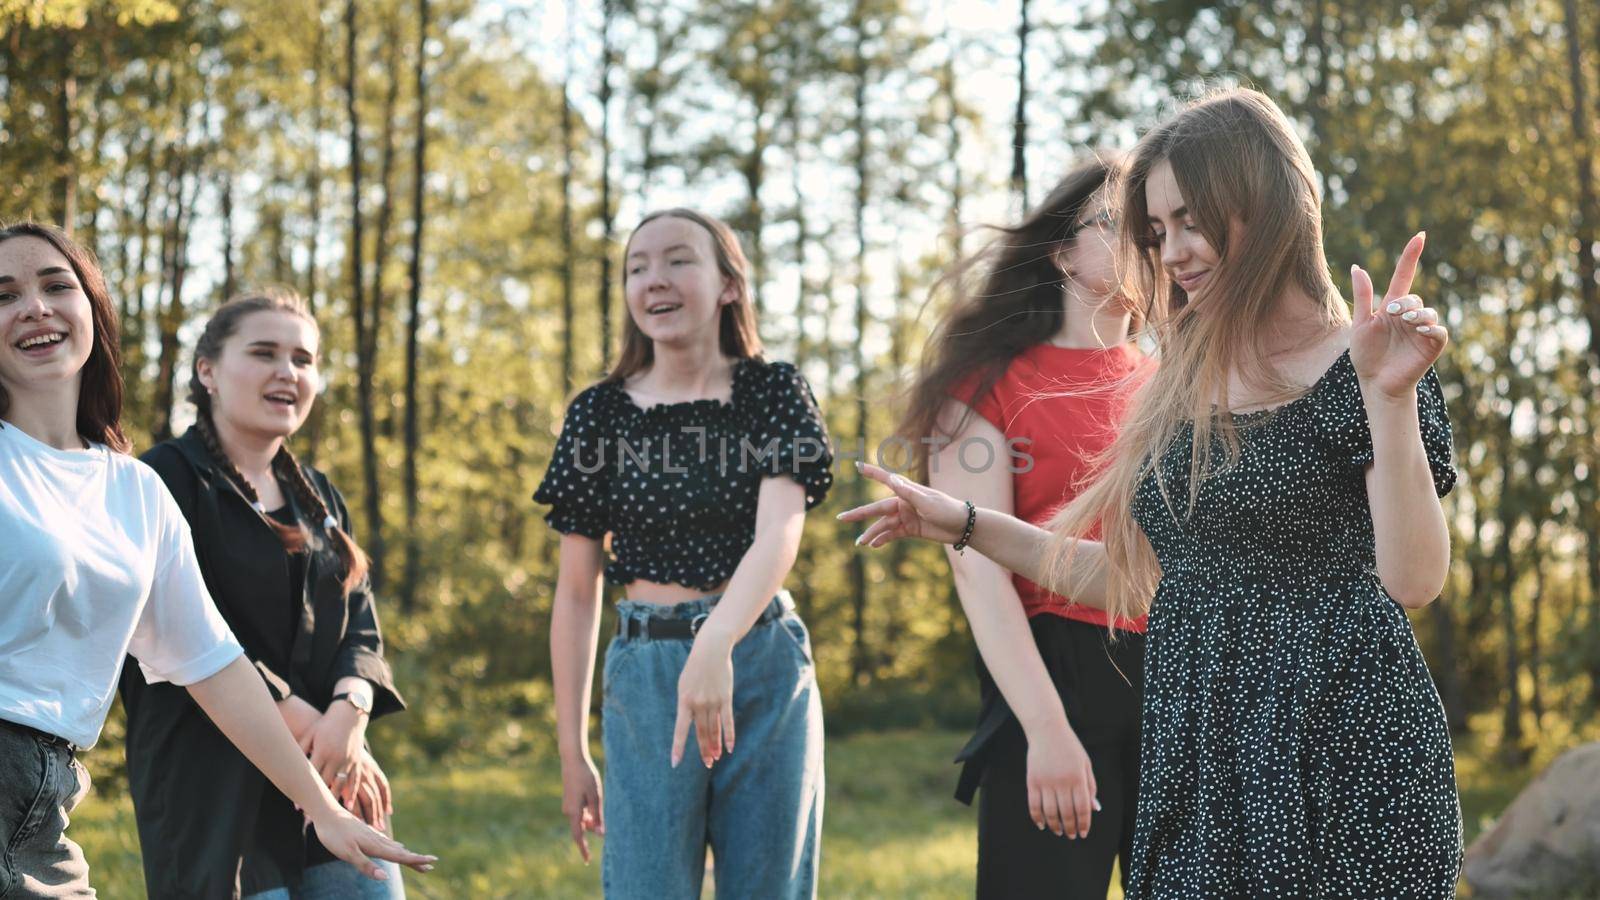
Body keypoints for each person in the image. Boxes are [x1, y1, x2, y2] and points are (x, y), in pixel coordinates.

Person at [841, 88, 1462, 897]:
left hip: (1337, 752)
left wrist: (1388, 401)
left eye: (1192, 220)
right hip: (1196, 758)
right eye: (1156, 231)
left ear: (1265, 204)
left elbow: (1414, 580)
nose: (1171, 252)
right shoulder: (1176, 385)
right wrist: (960, 522)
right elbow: (1130, 578)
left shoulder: (1370, 364)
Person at [0, 222, 433, 898]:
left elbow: (211, 658)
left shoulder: (131, 491)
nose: (34, 306)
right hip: (190, 785)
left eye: (57, 285)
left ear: (92, 309)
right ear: (208, 371)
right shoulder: (172, 476)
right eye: (4, 295)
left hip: (45, 794)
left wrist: (324, 800)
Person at [535, 208, 832, 898]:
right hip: (645, 674)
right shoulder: (599, 414)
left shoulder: (772, 390)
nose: (653, 280)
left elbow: (778, 533)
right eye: (637, 268)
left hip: (761, 661)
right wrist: (573, 750)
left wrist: (716, 643)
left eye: (677, 260)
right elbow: (577, 594)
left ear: (729, 285)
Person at [896, 156, 1146, 897]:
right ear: (1064, 251)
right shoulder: (985, 385)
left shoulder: (1183, 386)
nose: (1147, 239)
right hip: (1051, 674)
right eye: (1120, 222)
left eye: (1158, 227)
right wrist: (1045, 729)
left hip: (1177, 677)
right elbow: (978, 567)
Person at [120, 288, 409, 899]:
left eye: (303, 360)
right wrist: (295, 712)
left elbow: (361, 625)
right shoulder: (161, 480)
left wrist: (350, 712)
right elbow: (180, 628)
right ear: (208, 372)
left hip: (332, 777)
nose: (288, 372)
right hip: (213, 789)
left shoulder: (320, 496)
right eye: (264, 353)